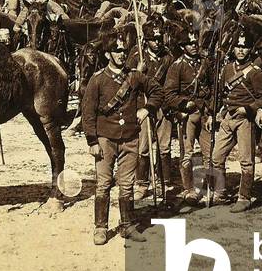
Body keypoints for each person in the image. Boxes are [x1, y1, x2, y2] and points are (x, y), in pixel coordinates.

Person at [80, 35, 162, 245]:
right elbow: (87, 112)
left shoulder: (134, 77)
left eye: (123, 51)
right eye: (117, 51)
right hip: (105, 139)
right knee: (104, 184)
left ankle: (127, 225)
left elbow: (157, 91)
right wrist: (92, 141)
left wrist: (147, 109)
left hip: (130, 137)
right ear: (108, 54)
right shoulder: (97, 79)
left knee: (126, 184)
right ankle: (101, 228)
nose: (121, 54)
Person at [210, 32, 262, 212]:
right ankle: (220, 192)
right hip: (228, 117)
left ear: (249, 49)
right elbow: (221, 94)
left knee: (246, 161)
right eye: (238, 46)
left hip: (244, 119)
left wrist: (249, 109)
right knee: (216, 156)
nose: (241, 50)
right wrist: (218, 111)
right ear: (233, 48)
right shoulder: (227, 68)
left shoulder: (255, 73)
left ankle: (244, 197)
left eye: (244, 47)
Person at [164, 30, 210, 207]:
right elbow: (169, 94)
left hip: (204, 112)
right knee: (187, 154)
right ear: (183, 47)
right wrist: (183, 105)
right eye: (189, 44)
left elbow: (212, 86)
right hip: (188, 114)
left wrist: (211, 109)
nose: (193, 46)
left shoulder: (204, 63)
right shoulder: (177, 66)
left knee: (209, 152)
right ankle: (189, 189)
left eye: (194, 43)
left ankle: (208, 187)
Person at [132, 25, 175, 203]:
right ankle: (141, 184)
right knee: (143, 147)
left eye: (158, 39)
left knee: (164, 147)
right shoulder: (137, 56)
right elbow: (129, 83)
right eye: (152, 40)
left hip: (163, 107)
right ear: (146, 40)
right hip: (145, 107)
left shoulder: (168, 58)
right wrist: (138, 72)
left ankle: (163, 183)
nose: (156, 43)